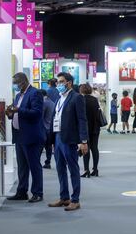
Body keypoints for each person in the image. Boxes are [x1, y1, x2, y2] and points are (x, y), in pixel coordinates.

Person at [48, 72, 88, 211]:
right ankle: (64, 197)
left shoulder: (76, 98)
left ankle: (75, 199)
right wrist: (52, 139)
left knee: (73, 169)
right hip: (58, 137)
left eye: (61, 82)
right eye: (58, 82)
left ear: (69, 83)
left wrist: (83, 141)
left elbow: (82, 120)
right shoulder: (59, 98)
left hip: (70, 138)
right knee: (60, 169)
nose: (58, 84)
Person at [6, 72, 45, 203]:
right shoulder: (18, 96)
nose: (14, 86)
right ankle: (22, 191)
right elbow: (17, 113)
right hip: (19, 135)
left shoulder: (35, 93)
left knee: (34, 165)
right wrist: (10, 114)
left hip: (31, 136)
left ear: (22, 82)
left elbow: (37, 113)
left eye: (15, 83)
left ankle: (37, 192)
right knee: (22, 166)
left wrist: (18, 110)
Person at [80, 84, 101, 178]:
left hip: (85, 128)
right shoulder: (94, 100)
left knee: (85, 149)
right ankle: (95, 169)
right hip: (95, 128)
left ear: (82, 90)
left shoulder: (81, 100)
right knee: (95, 148)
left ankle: (86, 170)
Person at [40, 89, 55, 169]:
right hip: (51, 128)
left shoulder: (44, 103)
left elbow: (41, 116)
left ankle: (38, 161)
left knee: (40, 146)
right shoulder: (52, 102)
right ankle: (48, 161)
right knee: (48, 146)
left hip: (44, 128)